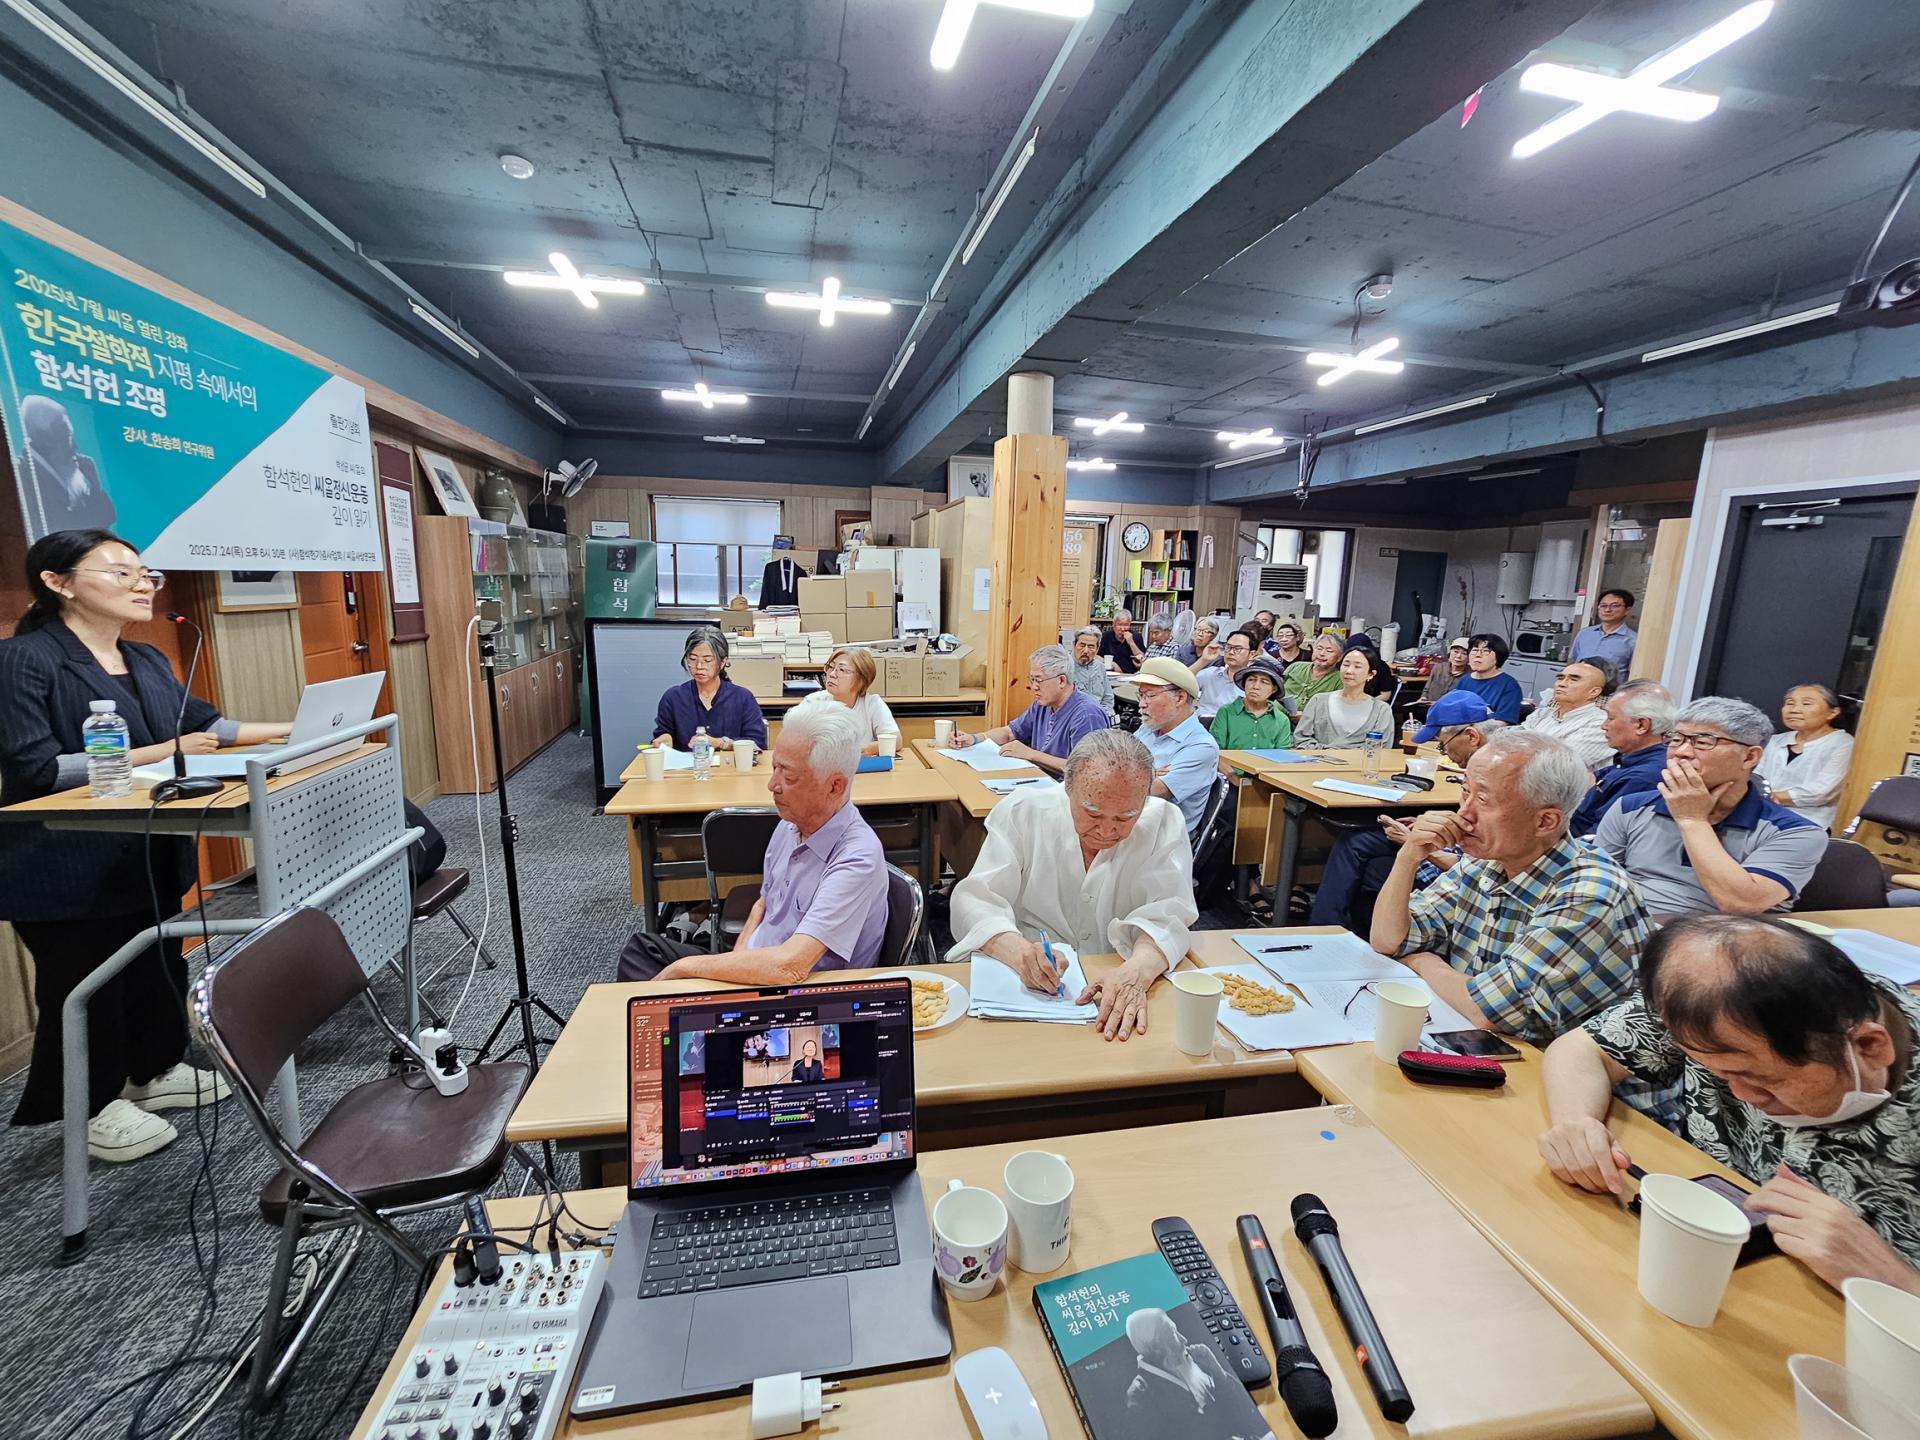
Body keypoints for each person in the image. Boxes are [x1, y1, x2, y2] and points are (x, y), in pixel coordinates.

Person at [0, 530, 291, 1163]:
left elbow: (210, 727)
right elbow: (36, 768)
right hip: (63, 860)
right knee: (86, 981)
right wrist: (157, 753)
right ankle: (90, 1106)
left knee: (156, 963)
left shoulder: (147, 658)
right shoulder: (24, 659)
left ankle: (153, 1071)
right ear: (58, 582)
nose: (141, 585)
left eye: (146, 574)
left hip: (145, 849)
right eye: (120, 572)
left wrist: (300, 728)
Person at [1538, 915, 1920, 1294]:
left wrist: (1893, 1278)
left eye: (1762, 1078)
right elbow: (1583, 1050)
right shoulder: (1718, 1005)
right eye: (1718, 1074)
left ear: (1870, 1047)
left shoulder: (1803, 1016)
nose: (1742, 1094)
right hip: (1717, 1261)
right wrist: (1577, 1124)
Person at [1370, 732, 1650, 1042]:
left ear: (1545, 821)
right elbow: (1388, 940)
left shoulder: (1591, 894)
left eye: (1484, 800)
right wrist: (1408, 857)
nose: (1464, 814)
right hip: (1487, 1045)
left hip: (1563, 1066)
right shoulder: (1484, 864)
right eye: (1465, 791)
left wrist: (1424, 961)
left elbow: (1490, 1011)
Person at [947, 730, 1197, 1042]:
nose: (1107, 830)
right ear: (1067, 786)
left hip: (1119, 977)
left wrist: (1137, 971)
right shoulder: (1023, 811)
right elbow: (976, 900)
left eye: (1126, 817)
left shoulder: (1163, 822)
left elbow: (1169, 914)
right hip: (1028, 989)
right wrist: (1018, 951)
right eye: (1092, 812)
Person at [619, 704, 887, 982]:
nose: (772, 784)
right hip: (760, 964)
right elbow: (763, 905)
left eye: (788, 776)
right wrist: (735, 960)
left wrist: (685, 968)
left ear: (834, 786)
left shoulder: (857, 857)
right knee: (641, 951)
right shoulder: (791, 824)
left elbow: (790, 967)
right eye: (774, 768)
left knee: (667, 977)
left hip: (800, 989)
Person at [1594, 696, 1827, 916]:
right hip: (1626, 926)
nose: (1681, 753)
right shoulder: (1630, 807)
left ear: (1749, 757)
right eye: (1677, 739)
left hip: (1721, 937)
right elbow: (1596, 883)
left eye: (1703, 742)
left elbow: (1741, 904)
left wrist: (1693, 820)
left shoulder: (1797, 832)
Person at [1306, 719, 1507, 930]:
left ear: (1472, 736)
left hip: (1448, 869)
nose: (1445, 754)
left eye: (1443, 745)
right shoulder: (1481, 777)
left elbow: (1473, 868)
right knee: (1356, 841)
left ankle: (1325, 928)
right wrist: (1426, 826)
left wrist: (1413, 844)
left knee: (1366, 864)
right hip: (1448, 848)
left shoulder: (1503, 788)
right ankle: (1329, 928)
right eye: (1465, 791)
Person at [951, 643, 1108, 774]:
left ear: (1061, 680)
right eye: (1031, 679)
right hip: (1037, 778)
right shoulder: (1043, 704)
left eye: (1038, 680)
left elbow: (1085, 769)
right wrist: (975, 738)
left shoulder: (1087, 714)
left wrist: (1031, 754)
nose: (1034, 687)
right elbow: (1010, 733)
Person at [1568, 679, 1672, 836]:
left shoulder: (1642, 777)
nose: (1603, 726)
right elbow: (1587, 780)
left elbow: (1598, 839)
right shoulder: (1631, 759)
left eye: (1610, 718)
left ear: (1641, 725)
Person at [1130, 657, 1220, 834]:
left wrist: (1135, 773)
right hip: (1130, 821)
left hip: (1162, 837)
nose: (1142, 704)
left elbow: (1152, 791)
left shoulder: (1201, 746)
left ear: (1179, 698)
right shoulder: (1149, 728)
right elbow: (1116, 762)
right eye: (1141, 695)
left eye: (1150, 695)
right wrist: (1148, 774)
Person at [1121, 1307, 1242, 1431]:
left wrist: (1218, 1372)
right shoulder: (1140, 1395)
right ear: (1155, 1347)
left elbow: (1243, 1410)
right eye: (1173, 1333)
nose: (1184, 1339)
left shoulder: (1196, 1362)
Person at [651, 625, 769, 752]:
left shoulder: (743, 698)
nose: (699, 666)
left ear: (723, 662)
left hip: (730, 764)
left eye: (707, 660)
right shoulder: (673, 698)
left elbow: (757, 744)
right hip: (688, 765)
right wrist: (665, 739)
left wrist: (719, 743)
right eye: (692, 659)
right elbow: (663, 733)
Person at [1756, 683, 1856, 832]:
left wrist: (1770, 796)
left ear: (1832, 712)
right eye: (1790, 703)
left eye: (1807, 704)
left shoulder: (1843, 743)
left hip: (1807, 820)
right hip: (1763, 811)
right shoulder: (1776, 740)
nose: (1794, 709)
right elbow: (1757, 777)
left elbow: (1822, 791)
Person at [15, 394, 116, 532]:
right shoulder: (21, 473)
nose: (75, 446)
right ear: (43, 438)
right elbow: (54, 527)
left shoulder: (80, 467)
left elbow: (107, 519)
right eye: (67, 437)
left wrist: (91, 489)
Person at [795, 647, 899, 756]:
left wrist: (870, 749)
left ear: (861, 680)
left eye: (842, 670)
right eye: (831, 667)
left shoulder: (872, 704)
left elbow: (896, 740)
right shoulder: (812, 702)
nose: (832, 674)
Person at [1518, 657, 1616, 769]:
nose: (1562, 684)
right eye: (1560, 678)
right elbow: (1511, 742)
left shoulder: (1601, 723)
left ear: (1594, 692)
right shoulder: (1542, 713)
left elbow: (1561, 763)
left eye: (1573, 680)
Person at [1293, 648, 1395, 749]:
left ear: (1371, 674)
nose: (1349, 671)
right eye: (1346, 665)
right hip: (1319, 759)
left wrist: (1346, 756)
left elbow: (1381, 747)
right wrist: (1326, 753)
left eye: (1357, 666)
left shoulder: (1381, 710)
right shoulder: (1318, 701)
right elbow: (1301, 739)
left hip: (1361, 760)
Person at [1209, 655, 1292, 751]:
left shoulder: (1281, 720)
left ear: (1274, 689)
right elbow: (1215, 751)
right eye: (1251, 680)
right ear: (1244, 683)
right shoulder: (1226, 712)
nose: (1256, 686)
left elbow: (1281, 755)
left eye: (1264, 682)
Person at [1453, 633, 1523, 722]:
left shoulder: (1509, 685)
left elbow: (1503, 721)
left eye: (1485, 651)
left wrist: (1472, 728)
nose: (1478, 655)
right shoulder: (1464, 680)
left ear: (1498, 657)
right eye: (1475, 650)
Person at [1570, 588, 1637, 675]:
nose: (1607, 610)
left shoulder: (1633, 640)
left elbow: (1633, 673)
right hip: (1580, 682)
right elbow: (1574, 662)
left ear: (1627, 610)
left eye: (1614, 606)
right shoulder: (1584, 633)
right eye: (1603, 605)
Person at [1195, 628, 1256, 719]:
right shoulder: (1211, 673)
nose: (1231, 652)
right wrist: (1203, 660)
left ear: (1251, 654)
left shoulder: (1254, 684)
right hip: (1200, 722)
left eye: (1237, 649)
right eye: (1228, 647)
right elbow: (1181, 683)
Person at [1282, 632, 1344, 715]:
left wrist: (1306, 716)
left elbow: (1336, 710)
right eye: (1319, 648)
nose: (1322, 654)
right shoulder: (1295, 666)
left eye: (1329, 651)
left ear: (1339, 657)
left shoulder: (1340, 680)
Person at [1071, 626, 1116, 716]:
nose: (1086, 651)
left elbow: (1108, 697)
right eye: (1082, 645)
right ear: (1074, 645)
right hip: (1074, 716)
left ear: (1097, 649)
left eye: (1091, 647)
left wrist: (1105, 714)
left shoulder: (1100, 667)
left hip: (1099, 715)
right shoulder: (1065, 667)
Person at [1421, 638, 1471, 704]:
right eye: (1456, 652)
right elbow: (1426, 689)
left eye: (1464, 653)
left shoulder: (1470, 675)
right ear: (1450, 652)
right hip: (1430, 707)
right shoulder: (1438, 668)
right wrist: (1423, 698)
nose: (1458, 656)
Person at [1100, 609, 1145, 674]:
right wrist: (1112, 663)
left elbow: (1142, 658)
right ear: (1113, 625)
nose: (1123, 629)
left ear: (1130, 625)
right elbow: (1096, 656)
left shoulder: (1137, 636)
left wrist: (1131, 642)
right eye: (1120, 625)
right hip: (1110, 673)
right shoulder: (1105, 636)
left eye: (1126, 625)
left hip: (1131, 675)